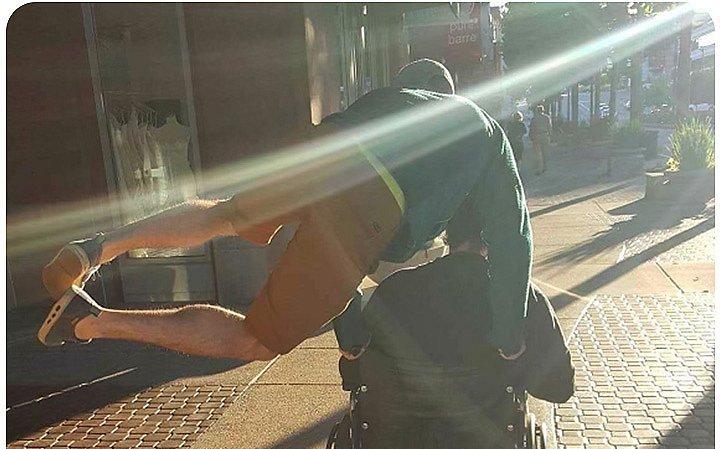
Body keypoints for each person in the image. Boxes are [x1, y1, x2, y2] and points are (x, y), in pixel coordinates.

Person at [39, 58, 532, 370]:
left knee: (224, 215)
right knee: (255, 339)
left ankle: (97, 246)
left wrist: (350, 329)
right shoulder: (485, 134)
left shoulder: (386, 101)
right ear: (449, 91)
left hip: (327, 145)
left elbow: (338, 248)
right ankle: (92, 322)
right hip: (374, 200)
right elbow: (514, 239)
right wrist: (509, 334)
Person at [344, 206, 574, 404]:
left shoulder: (395, 289)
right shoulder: (520, 298)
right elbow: (558, 387)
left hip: (397, 448)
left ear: (446, 234)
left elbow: (354, 373)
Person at [529, 103, 552, 175]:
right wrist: (550, 135)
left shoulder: (534, 119)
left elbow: (532, 129)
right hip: (545, 136)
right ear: (543, 110)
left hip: (537, 137)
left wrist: (531, 137)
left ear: (537, 111)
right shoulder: (547, 118)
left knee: (538, 153)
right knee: (545, 152)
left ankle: (539, 168)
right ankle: (545, 166)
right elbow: (550, 127)